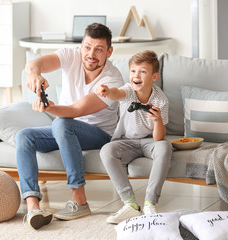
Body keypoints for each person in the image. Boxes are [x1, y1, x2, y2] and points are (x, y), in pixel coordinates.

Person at [15, 23, 124, 230]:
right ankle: (32, 207)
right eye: (87, 47)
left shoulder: (112, 80)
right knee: (24, 136)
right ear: (81, 46)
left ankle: (79, 200)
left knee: (62, 123)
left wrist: (48, 107)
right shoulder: (70, 55)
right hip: (63, 129)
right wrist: (34, 75)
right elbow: (34, 64)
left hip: (98, 134)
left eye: (99, 49)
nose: (91, 54)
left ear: (109, 51)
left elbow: (75, 111)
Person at [95, 50, 172, 224]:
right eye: (133, 71)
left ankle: (150, 203)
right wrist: (107, 91)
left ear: (154, 77)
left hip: (150, 141)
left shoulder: (161, 100)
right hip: (126, 141)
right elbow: (117, 93)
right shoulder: (129, 90)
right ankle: (130, 205)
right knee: (107, 150)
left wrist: (158, 120)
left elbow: (159, 138)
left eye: (142, 71)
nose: (136, 75)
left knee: (165, 147)